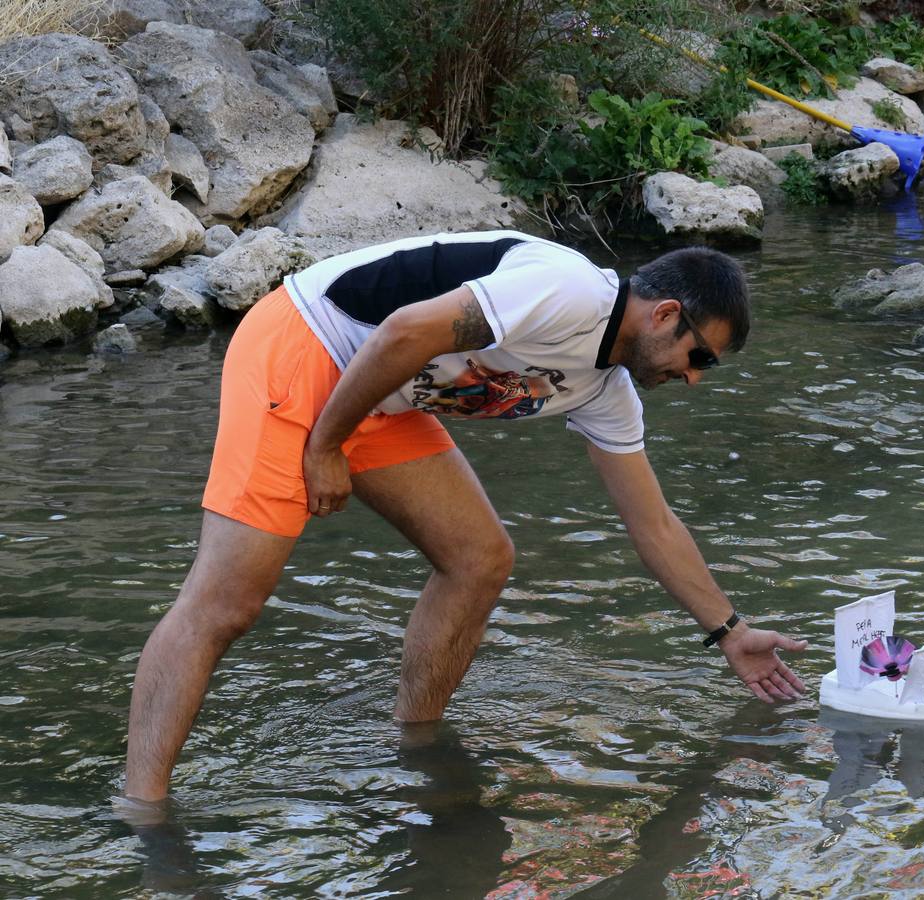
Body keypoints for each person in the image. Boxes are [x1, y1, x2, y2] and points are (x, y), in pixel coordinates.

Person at [123, 231, 809, 803]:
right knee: (228, 603)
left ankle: (415, 745)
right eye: (701, 359)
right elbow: (406, 329)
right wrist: (326, 445)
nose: (693, 380)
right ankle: (143, 807)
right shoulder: (569, 291)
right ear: (664, 315)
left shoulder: (606, 389)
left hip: (382, 395)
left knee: (479, 561)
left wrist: (729, 631)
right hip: (307, 346)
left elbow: (653, 524)